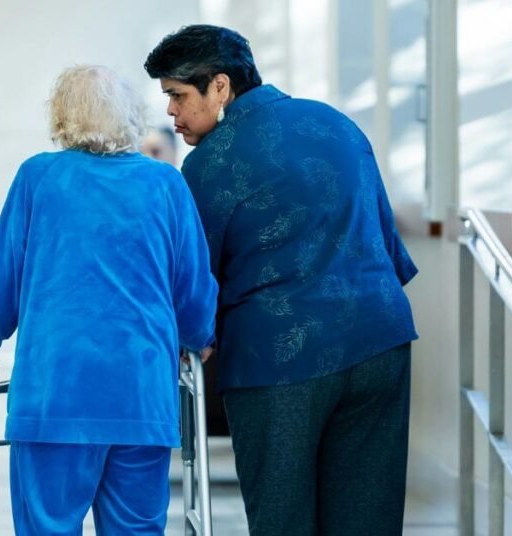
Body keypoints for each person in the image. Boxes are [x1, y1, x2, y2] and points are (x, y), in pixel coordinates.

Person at [144, 25, 419, 535]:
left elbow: (194, 284)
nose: (171, 113)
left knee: (283, 521)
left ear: (220, 86)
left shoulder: (208, 164)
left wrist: (189, 342)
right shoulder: (337, 125)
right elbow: (386, 243)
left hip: (280, 363)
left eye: (178, 95)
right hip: (381, 343)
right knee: (368, 520)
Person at [0, 64, 218, 535]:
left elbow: (4, 273)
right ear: (132, 117)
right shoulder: (165, 184)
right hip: (140, 396)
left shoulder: (38, 177)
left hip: (54, 394)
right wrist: (198, 336)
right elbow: (193, 285)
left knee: (48, 526)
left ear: (62, 117)